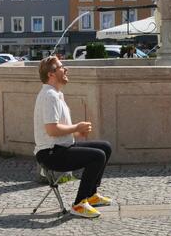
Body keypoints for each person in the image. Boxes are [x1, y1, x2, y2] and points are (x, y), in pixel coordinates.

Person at [33, 56, 113, 218]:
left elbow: (56, 129)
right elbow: (51, 130)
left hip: (61, 147)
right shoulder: (49, 96)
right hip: (51, 154)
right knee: (98, 156)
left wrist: (75, 132)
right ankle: (79, 204)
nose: (66, 69)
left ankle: (91, 195)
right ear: (51, 74)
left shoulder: (55, 94)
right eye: (62, 67)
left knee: (105, 147)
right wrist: (76, 127)